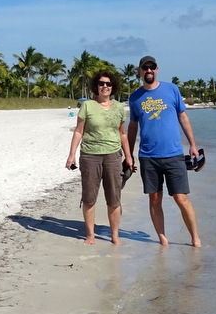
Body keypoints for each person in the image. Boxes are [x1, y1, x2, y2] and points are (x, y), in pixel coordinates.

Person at [127, 56, 202, 248]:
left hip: (174, 154)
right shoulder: (134, 97)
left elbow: (182, 117)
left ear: (157, 69)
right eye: (145, 68)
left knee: (181, 198)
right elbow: (133, 127)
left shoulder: (171, 89)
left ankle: (195, 239)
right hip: (148, 156)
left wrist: (193, 144)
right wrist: (128, 154)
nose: (149, 71)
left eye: (152, 68)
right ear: (140, 71)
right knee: (154, 198)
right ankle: (163, 240)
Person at [65, 70, 133, 245]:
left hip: (113, 155)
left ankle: (115, 235)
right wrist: (71, 155)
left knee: (114, 198)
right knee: (89, 197)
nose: (105, 86)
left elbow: (123, 134)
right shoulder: (88, 106)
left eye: (108, 84)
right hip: (90, 155)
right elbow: (79, 131)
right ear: (96, 86)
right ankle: (90, 235)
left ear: (113, 87)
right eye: (102, 83)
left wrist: (129, 156)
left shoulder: (119, 107)